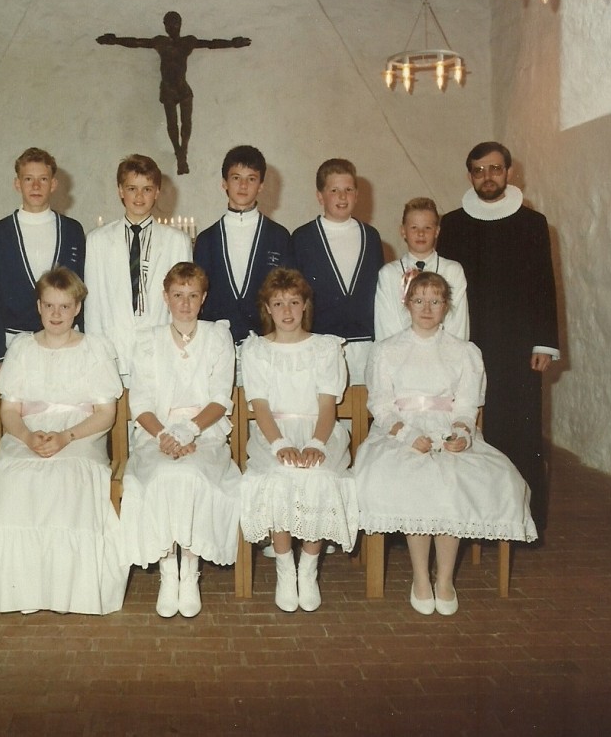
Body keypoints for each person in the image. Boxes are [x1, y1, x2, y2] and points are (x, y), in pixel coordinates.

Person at [354, 272, 537, 616]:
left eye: (435, 301)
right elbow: (380, 404)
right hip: (400, 429)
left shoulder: (464, 352)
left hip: (447, 427)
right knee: (413, 477)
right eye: (419, 300)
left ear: (446, 306)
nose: (427, 308)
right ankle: (421, 576)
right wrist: (407, 434)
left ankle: (445, 579)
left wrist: (463, 433)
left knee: (459, 478)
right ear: (407, 304)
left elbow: (468, 406)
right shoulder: (387, 351)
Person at [0, 268, 128, 615]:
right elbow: (10, 410)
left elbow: (105, 414)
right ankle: (23, 592)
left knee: (65, 479)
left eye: (64, 306)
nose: (56, 314)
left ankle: (68, 593)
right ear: (38, 307)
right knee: (14, 477)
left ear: (77, 308)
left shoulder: (95, 348)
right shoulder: (23, 349)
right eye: (49, 306)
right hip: (27, 431)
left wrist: (66, 436)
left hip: (80, 432)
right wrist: (28, 437)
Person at [437, 142, 559, 532]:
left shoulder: (533, 223)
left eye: (494, 169)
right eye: (478, 170)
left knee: (518, 430)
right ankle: (470, 520)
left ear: (509, 172)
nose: (487, 177)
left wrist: (544, 342)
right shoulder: (452, 223)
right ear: (469, 176)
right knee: (465, 426)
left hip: (519, 346)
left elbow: (544, 284)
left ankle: (524, 523)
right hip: (468, 340)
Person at [119, 262, 242, 618]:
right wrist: (165, 434)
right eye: (177, 296)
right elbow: (139, 401)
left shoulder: (218, 336)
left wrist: (189, 431)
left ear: (203, 298)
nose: (185, 304)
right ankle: (167, 571)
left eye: (192, 296)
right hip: (155, 435)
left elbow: (220, 399)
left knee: (190, 475)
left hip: (205, 433)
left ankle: (189, 570)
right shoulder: (148, 340)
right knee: (162, 476)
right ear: (165, 297)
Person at [239, 269, 359, 613]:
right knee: (281, 476)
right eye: (278, 304)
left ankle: (308, 569)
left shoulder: (324, 347)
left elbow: (326, 405)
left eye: (294, 302)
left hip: (318, 432)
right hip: (273, 433)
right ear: (267, 308)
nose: (287, 311)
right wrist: (279, 445)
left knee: (317, 476)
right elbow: (260, 405)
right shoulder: (257, 350)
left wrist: (316, 444)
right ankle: (284, 569)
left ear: (305, 305)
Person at [96, 12, 251, 175]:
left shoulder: (187, 42)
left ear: (180, 24)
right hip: (168, 89)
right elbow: (136, 42)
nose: (172, 27)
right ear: (164, 25)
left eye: (175, 23)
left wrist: (233, 43)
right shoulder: (160, 42)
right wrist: (114, 40)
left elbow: (210, 44)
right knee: (172, 124)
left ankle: (182, 152)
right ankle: (179, 153)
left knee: (186, 123)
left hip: (183, 88)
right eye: (168, 24)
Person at [84, 154, 191, 385]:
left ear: (158, 192)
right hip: (114, 353)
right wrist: (97, 357)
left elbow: (183, 306)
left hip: (161, 353)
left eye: (147, 189)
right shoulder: (97, 241)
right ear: (120, 190)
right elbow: (94, 306)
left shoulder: (177, 241)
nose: (139, 196)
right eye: (132, 188)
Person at [0, 148, 86, 382]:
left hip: (66, 342)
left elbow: (82, 292)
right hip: (14, 346)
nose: (36, 186)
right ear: (17, 184)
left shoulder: (72, 230)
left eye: (43, 179)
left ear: (54, 184)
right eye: (29, 179)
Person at [292, 158, 384, 385]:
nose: (342, 197)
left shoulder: (371, 237)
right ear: (320, 196)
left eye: (348, 190)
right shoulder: (302, 237)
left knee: (363, 415)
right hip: (320, 344)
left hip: (365, 346)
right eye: (334, 190)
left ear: (357, 194)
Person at [194, 145, 294, 349]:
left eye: (251, 178)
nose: (243, 185)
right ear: (224, 183)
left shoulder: (279, 236)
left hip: (268, 342)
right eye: (236, 177)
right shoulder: (206, 239)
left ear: (261, 185)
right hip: (218, 344)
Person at [375, 197, 469, 340]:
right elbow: (386, 328)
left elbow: (458, 326)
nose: (421, 233)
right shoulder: (388, 274)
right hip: (400, 357)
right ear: (403, 231)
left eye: (427, 228)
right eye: (414, 228)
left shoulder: (452, 271)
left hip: (443, 356)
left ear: (437, 231)